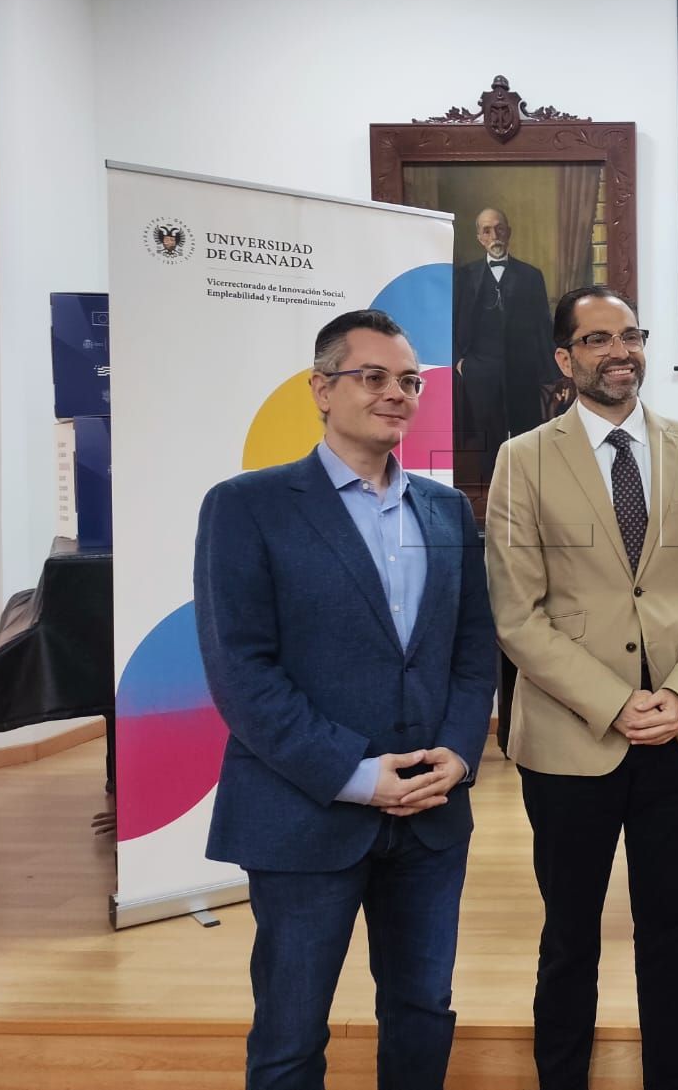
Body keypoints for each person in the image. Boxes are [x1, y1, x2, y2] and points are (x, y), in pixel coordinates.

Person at [194, 308, 495, 1090]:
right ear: (321, 389)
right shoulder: (247, 506)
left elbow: (472, 651)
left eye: (409, 381)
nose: (395, 393)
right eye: (373, 377)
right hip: (307, 813)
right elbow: (243, 673)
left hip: (431, 815)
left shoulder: (447, 511)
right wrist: (358, 774)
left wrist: (459, 756)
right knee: (292, 1035)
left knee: (423, 1012)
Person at [484, 288, 678, 1090]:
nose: (620, 350)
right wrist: (614, 702)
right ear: (565, 360)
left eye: (630, 334)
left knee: (672, 931)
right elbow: (517, 617)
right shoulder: (522, 460)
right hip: (572, 740)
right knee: (570, 936)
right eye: (597, 338)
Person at [453, 206, 564, 505]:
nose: (494, 235)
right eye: (487, 230)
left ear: (509, 232)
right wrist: (460, 363)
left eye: (499, 228)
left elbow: (543, 324)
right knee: (488, 434)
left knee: (527, 428)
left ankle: (529, 495)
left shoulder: (530, 276)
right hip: (481, 369)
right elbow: (451, 320)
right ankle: (494, 496)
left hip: (521, 369)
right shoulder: (465, 276)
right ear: (479, 237)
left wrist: (551, 372)